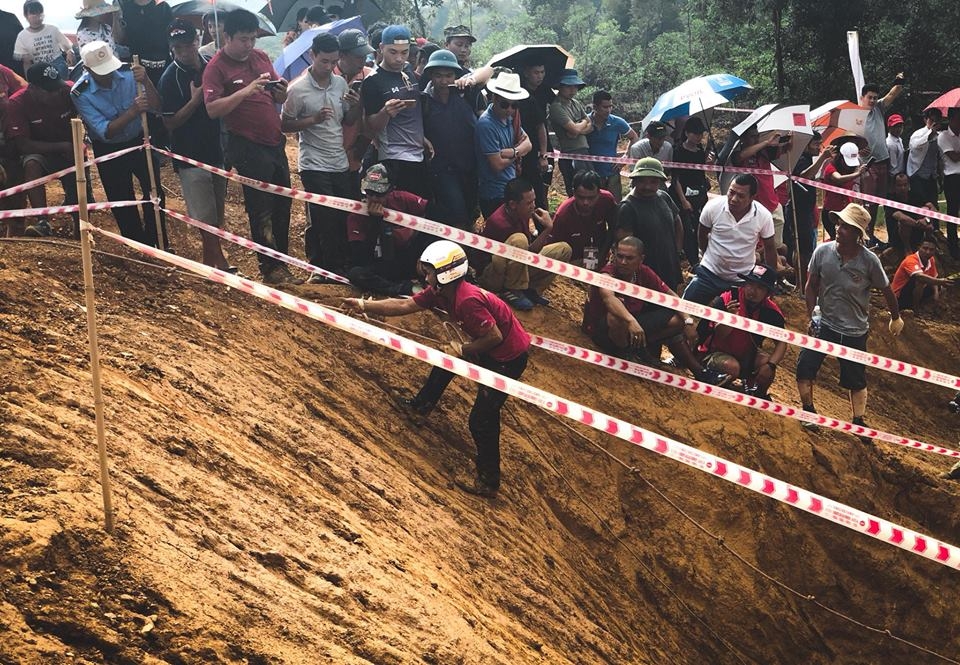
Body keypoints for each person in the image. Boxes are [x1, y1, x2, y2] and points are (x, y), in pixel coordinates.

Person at [342, 240, 531, 498]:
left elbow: (495, 337)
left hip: (507, 359)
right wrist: (364, 306)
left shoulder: (467, 301)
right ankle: (420, 407)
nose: (426, 276)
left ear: (445, 274)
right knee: (446, 362)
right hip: (491, 349)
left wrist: (463, 350)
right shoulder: (440, 292)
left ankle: (489, 480)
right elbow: (404, 305)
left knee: (481, 419)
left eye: (430, 272)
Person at [203, 9, 299, 285]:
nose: (249, 45)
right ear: (227, 36)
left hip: (274, 140)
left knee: (283, 202)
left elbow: (274, 89)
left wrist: (280, 92)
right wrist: (244, 92)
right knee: (261, 206)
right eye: (243, 39)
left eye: (253, 39)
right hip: (246, 143)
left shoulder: (260, 57)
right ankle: (269, 267)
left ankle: (284, 261)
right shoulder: (216, 67)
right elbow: (212, 109)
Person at [795, 203, 903, 443]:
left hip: (855, 330)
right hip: (825, 324)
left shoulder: (869, 261)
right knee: (805, 366)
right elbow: (811, 285)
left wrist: (895, 317)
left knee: (856, 379)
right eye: (839, 224)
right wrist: (812, 313)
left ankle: (858, 421)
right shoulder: (822, 252)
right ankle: (808, 411)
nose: (838, 229)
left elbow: (887, 290)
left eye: (845, 226)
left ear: (857, 234)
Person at [582, 236, 729, 384]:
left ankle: (698, 371)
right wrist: (631, 321)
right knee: (616, 316)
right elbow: (609, 298)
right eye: (619, 256)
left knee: (677, 320)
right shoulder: (607, 274)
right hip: (603, 330)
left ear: (641, 259)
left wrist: (688, 321)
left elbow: (671, 296)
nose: (623, 262)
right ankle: (625, 354)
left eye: (629, 258)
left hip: (632, 326)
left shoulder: (644, 272)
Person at [72, 40, 167, 248]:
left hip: (139, 140)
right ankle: (136, 245)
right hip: (109, 149)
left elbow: (157, 107)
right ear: (87, 69)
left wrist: (147, 80)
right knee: (121, 198)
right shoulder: (80, 92)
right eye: (100, 72)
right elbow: (105, 131)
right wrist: (132, 112)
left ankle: (159, 241)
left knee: (154, 191)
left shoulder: (129, 74)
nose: (107, 75)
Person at [282, 31, 360, 280]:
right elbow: (284, 124)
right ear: (312, 55)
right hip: (313, 163)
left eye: (334, 61)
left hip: (338, 161)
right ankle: (325, 269)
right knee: (323, 217)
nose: (329, 66)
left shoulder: (340, 83)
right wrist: (312, 120)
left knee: (342, 216)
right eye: (324, 61)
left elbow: (347, 118)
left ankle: (337, 266)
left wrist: (356, 106)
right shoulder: (297, 89)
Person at [159, 20, 229, 270]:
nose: (184, 51)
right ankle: (218, 262)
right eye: (178, 48)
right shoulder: (170, 77)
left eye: (188, 45)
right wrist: (196, 100)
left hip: (217, 150)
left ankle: (212, 264)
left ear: (196, 42)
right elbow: (170, 123)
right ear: (172, 48)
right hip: (189, 155)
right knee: (204, 216)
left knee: (217, 214)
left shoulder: (211, 67)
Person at [5, 62, 83, 238]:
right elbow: (23, 145)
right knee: (32, 163)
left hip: (70, 148)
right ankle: (42, 221)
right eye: (49, 90)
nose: (55, 93)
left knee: (78, 166)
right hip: (40, 150)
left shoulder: (69, 91)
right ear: (33, 88)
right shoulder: (17, 103)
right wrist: (62, 146)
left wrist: (76, 145)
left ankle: (81, 222)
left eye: (57, 88)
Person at [475, 177, 572, 310]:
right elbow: (523, 251)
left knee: (563, 249)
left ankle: (531, 290)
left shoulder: (521, 214)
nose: (533, 206)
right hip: (492, 275)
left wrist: (548, 228)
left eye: (534, 201)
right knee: (519, 239)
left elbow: (529, 253)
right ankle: (512, 290)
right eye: (529, 203)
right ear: (513, 204)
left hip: (516, 265)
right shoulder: (500, 223)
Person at [683, 174, 778, 305]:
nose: (733, 199)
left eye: (741, 196)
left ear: (752, 197)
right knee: (684, 307)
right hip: (708, 273)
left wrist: (769, 282)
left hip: (741, 280)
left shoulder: (763, 216)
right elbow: (702, 234)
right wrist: (708, 255)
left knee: (742, 317)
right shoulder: (713, 206)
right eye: (731, 192)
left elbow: (770, 248)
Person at [696, 263, 788, 399]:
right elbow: (718, 334)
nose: (752, 291)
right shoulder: (728, 298)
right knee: (731, 367)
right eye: (750, 284)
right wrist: (730, 318)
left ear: (767, 293)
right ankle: (713, 381)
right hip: (716, 352)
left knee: (766, 363)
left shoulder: (771, 312)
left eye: (760, 287)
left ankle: (758, 395)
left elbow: (782, 342)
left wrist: (771, 365)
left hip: (747, 355)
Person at [346, 164, 439, 296]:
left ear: (390, 190)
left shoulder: (402, 199)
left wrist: (421, 248)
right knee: (356, 273)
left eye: (379, 194)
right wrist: (376, 222)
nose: (373, 198)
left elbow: (435, 214)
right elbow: (360, 258)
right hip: (379, 264)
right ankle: (403, 289)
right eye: (369, 193)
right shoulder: (356, 214)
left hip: (408, 258)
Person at [360, 24, 429, 197]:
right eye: (393, 52)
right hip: (393, 156)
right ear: (381, 48)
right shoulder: (373, 81)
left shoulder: (407, 71)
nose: (399, 58)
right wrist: (385, 112)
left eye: (404, 52)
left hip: (418, 154)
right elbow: (370, 127)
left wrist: (422, 138)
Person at [421, 49, 477, 230]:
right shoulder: (424, 101)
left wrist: (470, 80)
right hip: (442, 168)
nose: (444, 81)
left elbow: (490, 71)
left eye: (449, 75)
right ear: (430, 76)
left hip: (470, 165)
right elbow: (413, 127)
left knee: (470, 210)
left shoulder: (465, 93)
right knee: (456, 212)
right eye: (438, 76)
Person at [613, 157, 683, 291]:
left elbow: (677, 222)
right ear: (634, 180)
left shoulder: (663, 197)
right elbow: (625, 247)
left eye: (653, 181)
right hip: (645, 275)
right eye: (642, 181)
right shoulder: (627, 207)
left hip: (668, 266)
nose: (647, 186)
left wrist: (676, 252)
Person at [475, 70, 531, 219]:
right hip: (494, 193)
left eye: (514, 106)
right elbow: (497, 165)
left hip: (510, 188)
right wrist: (518, 152)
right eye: (505, 104)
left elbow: (528, 144)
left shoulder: (511, 119)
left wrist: (510, 152)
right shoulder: (486, 124)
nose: (510, 110)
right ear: (494, 98)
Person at [541, 170, 617, 268]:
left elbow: (613, 228)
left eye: (591, 198)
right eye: (581, 197)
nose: (586, 202)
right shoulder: (563, 215)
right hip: (573, 262)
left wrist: (602, 255)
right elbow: (555, 248)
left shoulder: (607, 200)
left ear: (599, 193)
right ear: (574, 193)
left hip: (600, 253)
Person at [731, 124, 789, 248]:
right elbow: (741, 156)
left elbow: (785, 150)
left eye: (757, 136)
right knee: (758, 247)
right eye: (752, 137)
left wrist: (789, 139)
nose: (756, 139)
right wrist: (766, 142)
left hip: (772, 203)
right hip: (753, 207)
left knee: (777, 246)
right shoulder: (738, 154)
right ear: (743, 138)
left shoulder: (765, 152)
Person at [784, 131, 831, 285]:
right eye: (816, 144)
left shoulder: (808, 158)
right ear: (806, 145)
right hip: (798, 210)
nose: (819, 147)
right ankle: (801, 282)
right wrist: (823, 159)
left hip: (806, 209)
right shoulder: (800, 159)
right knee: (801, 248)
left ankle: (804, 281)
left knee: (806, 247)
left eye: (820, 144)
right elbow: (803, 177)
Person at [858, 76, 904, 232]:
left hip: (884, 161)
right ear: (862, 98)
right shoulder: (854, 115)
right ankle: (866, 232)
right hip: (867, 164)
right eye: (869, 97)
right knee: (868, 202)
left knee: (880, 201)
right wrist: (856, 147)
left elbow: (892, 94)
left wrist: (898, 81)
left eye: (875, 98)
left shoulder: (878, 108)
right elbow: (846, 140)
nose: (872, 100)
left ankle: (875, 233)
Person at [335, 28, 374, 193]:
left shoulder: (371, 77)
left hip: (357, 155)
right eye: (358, 57)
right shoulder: (324, 76)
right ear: (341, 55)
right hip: (326, 157)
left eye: (365, 57)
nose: (362, 61)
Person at [670, 116, 713, 268]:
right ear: (687, 133)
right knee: (687, 229)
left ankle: (704, 257)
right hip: (683, 194)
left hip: (699, 194)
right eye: (695, 134)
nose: (698, 137)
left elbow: (701, 172)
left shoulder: (700, 149)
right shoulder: (678, 151)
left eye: (701, 134)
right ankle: (693, 261)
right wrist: (683, 200)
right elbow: (676, 179)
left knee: (701, 226)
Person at [586, 90, 637, 201]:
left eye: (610, 106)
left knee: (615, 206)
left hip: (612, 173)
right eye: (605, 107)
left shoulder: (617, 122)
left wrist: (625, 158)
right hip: (589, 173)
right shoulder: (584, 122)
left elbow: (634, 137)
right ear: (595, 107)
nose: (608, 110)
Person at [549, 68, 591, 196]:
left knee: (591, 186)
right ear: (560, 87)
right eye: (568, 86)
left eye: (575, 86)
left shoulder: (575, 103)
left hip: (584, 151)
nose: (573, 90)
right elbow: (575, 128)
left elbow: (590, 125)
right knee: (577, 190)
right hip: (570, 153)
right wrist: (581, 124)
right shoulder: (556, 107)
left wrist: (579, 128)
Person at [819, 140, 867, 241]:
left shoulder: (852, 169)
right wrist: (857, 173)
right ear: (840, 157)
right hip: (831, 212)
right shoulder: (830, 168)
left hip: (847, 212)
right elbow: (838, 179)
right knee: (836, 240)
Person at [14, 2, 74, 79]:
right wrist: (29, 81)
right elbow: (27, 62)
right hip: (40, 70)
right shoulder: (22, 36)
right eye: (33, 13)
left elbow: (67, 46)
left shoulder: (52, 29)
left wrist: (70, 52)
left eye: (40, 13)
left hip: (59, 66)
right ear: (26, 15)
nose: (37, 16)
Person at [891, 239, 949, 315]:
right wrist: (940, 281)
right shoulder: (911, 260)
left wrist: (936, 294)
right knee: (921, 281)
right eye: (925, 248)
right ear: (919, 248)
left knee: (940, 287)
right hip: (898, 296)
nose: (927, 252)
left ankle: (931, 307)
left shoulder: (930, 259)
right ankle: (915, 309)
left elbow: (934, 277)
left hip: (912, 292)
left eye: (931, 250)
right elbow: (920, 277)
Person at [884, 173, 936, 254]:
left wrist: (926, 220)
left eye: (905, 185)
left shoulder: (915, 194)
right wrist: (920, 224)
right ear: (894, 186)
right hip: (898, 236)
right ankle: (907, 249)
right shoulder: (890, 198)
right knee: (904, 224)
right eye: (899, 185)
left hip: (917, 231)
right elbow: (900, 217)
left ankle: (927, 245)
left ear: (909, 185)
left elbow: (932, 208)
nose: (903, 188)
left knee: (924, 210)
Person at [906, 107, 942, 209]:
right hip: (917, 176)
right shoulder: (918, 134)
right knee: (920, 206)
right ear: (925, 120)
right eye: (932, 120)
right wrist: (930, 132)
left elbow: (939, 157)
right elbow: (916, 145)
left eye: (937, 120)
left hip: (932, 177)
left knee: (934, 205)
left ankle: (934, 225)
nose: (934, 122)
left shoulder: (939, 136)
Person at [938, 108, 960, 259]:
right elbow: (953, 157)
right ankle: (953, 246)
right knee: (953, 211)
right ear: (951, 119)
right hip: (952, 178)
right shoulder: (944, 136)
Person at [886, 113, 905, 179]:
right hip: (896, 178)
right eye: (896, 126)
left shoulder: (899, 139)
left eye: (900, 126)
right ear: (890, 127)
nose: (899, 129)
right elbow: (893, 167)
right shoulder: (891, 144)